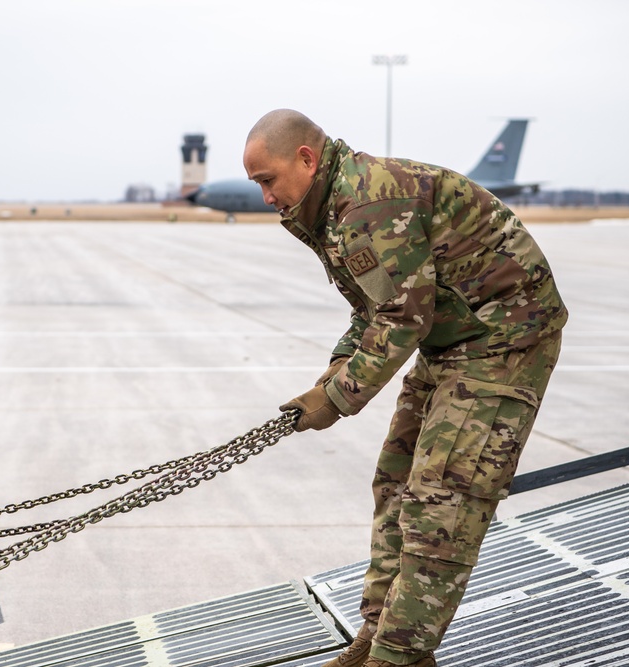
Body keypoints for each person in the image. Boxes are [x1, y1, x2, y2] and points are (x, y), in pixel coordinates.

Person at [243, 109, 566, 667]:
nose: (266, 196)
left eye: (267, 180)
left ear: (306, 158)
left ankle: (400, 658)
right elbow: (372, 305)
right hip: (453, 336)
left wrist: (336, 399)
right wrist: (334, 371)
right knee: (396, 478)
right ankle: (376, 638)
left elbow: (400, 317)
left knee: (442, 500)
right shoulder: (328, 208)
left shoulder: (366, 205)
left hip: (504, 336)